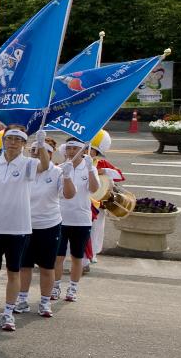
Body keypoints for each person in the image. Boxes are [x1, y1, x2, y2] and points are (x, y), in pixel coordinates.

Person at [0, 126, 50, 332]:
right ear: (3, 140)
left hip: (18, 227)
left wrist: (41, 146)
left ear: (24, 144)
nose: (13, 142)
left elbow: (45, 166)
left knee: (13, 272)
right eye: (9, 138)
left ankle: (8, 313)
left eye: (18, 139)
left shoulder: (27, 164)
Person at [16, 137, 74, 318]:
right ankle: (22, 299)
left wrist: (67, 176)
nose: (36, 153)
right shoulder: (24, 170)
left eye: (41, 150)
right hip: (25, 225)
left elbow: (69, 195)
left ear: (50, 154)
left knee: (46, 267)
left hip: (49, 225)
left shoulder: (57, 172)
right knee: (24, 266)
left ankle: (44, 302)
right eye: (33, 150)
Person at [52, 138, 100, 303]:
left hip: (81, 220)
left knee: (77, 257)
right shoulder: (60, 168)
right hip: (60, 219)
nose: (71, 152)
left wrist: (91, 169)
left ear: (83, 150)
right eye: (69, 148)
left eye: (75, 149)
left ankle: (73, 288)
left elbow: (94, 190)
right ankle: (55, 286)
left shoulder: (88, 168)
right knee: (57, 257)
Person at [86, 131, 125, 267]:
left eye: (91, 150)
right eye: (85, 149)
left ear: (96, 153)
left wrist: (104, 171)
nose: (88, 152)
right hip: (79, 202)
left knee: (96, 230)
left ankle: (93, 253)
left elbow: (120, 175)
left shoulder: (102, 163)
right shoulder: (74, 161)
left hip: (98, 204)